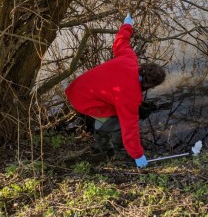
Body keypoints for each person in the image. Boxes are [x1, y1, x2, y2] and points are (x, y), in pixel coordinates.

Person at [65, 14, 166, 168]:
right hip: (83, 101)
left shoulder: (129, 58)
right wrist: (138, 155)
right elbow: (130, 128)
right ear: (150, 85)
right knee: (119, 120)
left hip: (77, 87)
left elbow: (120, 41)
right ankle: (106, 149)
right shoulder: (130, 97)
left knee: (119, 111)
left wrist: (127, 25)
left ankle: (109, 140)